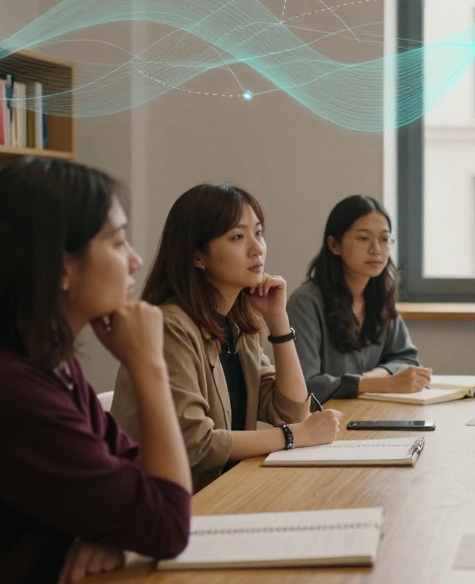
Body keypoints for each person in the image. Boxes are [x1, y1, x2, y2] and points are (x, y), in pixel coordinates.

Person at [0, 157, 191, 584]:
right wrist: (149, 367)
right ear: (61, 269)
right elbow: (168, 525)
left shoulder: (45, 363)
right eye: (118, 244)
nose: (136, 260)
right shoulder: (3, 391)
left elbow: (139, 484)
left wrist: (110, 531)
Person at [111, 184, 340, 491]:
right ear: (197, 257)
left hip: (223, 491)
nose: (256, 248)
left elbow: (290, 411)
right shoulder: (169, 327)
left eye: (258, 233)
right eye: (237, 237)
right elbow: (195, 444)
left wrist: (278, 322)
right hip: (171, 506)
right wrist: (296, 436)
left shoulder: (236, 324)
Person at [287, 195, 430, 401]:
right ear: (334, 245)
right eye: (363, 238)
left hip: (371, 413)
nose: (376, 250)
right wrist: (380, 384)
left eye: (385, 239)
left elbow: (407, 358)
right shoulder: (306, 302)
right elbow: (304, 384)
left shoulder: (379, 295)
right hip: (323, 423)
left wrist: (376, 376)